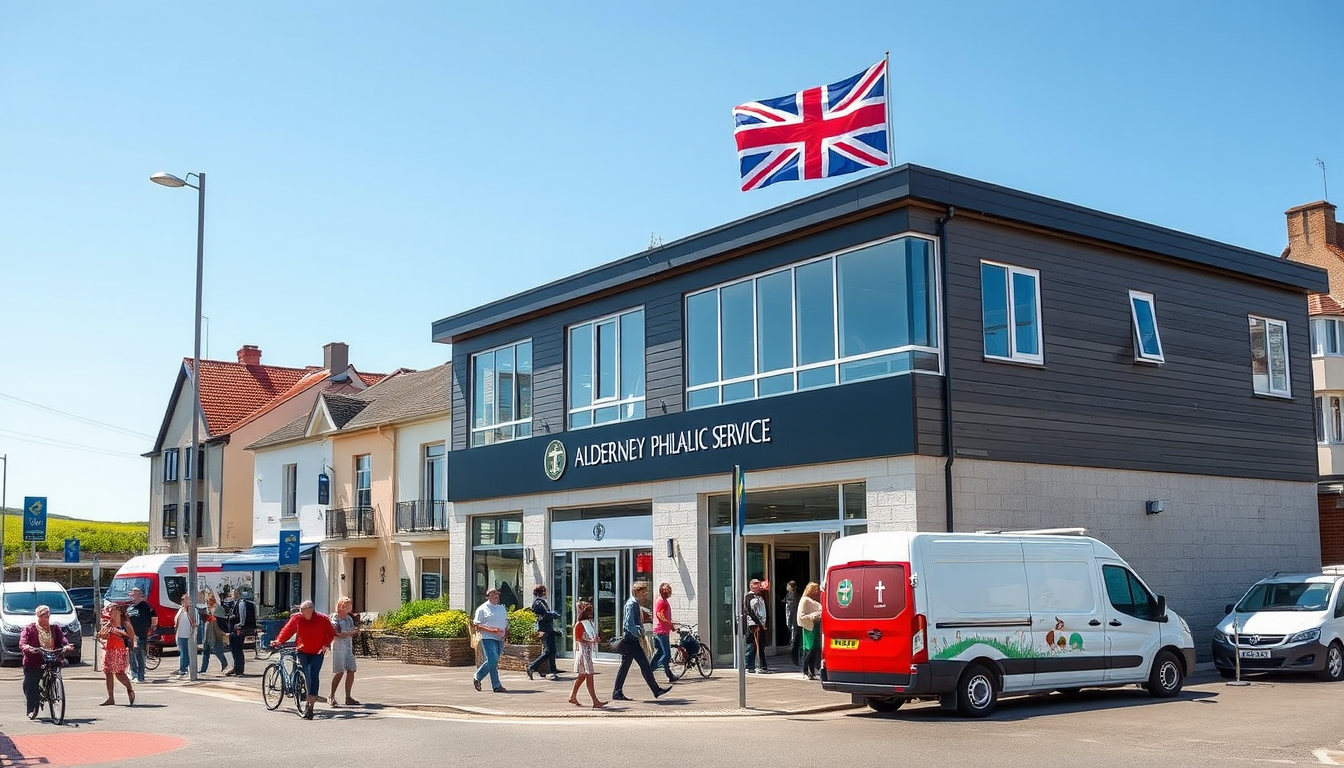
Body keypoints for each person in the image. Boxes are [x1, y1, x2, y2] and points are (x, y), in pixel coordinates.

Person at [271, 600, 336, 720]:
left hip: (317, 652)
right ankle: (302, 693)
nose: (302, 613)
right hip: (302, 651)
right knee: (307, 674)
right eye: (301, 611)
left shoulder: (322, 619)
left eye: (304, 611)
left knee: (313, 675)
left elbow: (331, 633)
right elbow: (287, 630)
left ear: (311, 610)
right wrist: (279, 640)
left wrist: (325, 645)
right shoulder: (297, 618)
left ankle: (310, 705)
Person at [611, 581, 672, 701]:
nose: (645, 595)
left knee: (625, 666)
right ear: (636, 592)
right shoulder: (632, 604)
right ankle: (656, 690)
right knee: (645, 665)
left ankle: (617, 692)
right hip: (631, 640)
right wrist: (640, 633)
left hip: (631, 639)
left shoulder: (634, 603)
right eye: (643, 592)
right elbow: (629, 625)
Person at [19, 605, 75, 718]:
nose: (46, 619)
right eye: (43, 616)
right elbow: (23, 642)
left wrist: (66, 645)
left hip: (52, 658)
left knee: (56, 672)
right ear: (38, 617)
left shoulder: (54, 628)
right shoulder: (29, 629)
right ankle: (31, 709)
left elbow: (62, 639)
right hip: (34, 660)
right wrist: (28, 648)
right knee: (32, 684)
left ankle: (53, 686)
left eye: (47, 616)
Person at [566, 601, 605, 708]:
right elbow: (578, 638)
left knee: (582, 676)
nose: (591, 614)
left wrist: (594, 639)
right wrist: (591, 640)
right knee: (589, 676)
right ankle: (595, 701)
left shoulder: (589, 623)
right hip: (584, 654)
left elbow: (588, 636)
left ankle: (572, 696)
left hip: (586, 653)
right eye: (588, 612)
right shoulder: (580, 624)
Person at [97, 602, 136, 705]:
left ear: (118, 611)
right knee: (108, 673)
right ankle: (110, 697)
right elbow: (99, 636)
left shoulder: (125, 624)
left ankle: (130, 689)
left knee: (119, 673)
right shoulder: (109, 623)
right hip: (109, 649)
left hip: (119, 650)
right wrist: (102, 636)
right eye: (110, 610)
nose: (110, 612)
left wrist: (115, 632)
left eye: (113, 610)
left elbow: (131, 637)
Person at [471, 588, 509, 693]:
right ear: (488, 597)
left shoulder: (501, 608)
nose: (496, 596)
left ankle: (478, 678)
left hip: (500, 638)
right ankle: (496, 685)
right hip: (488, 638)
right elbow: (477, 625)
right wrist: (492, 630)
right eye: (493, 595)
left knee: (493, 661)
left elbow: (505, 622)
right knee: (493, 660)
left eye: (497, 595)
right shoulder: (482, 609)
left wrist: (506, 633)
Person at [328, 596, 360, 707]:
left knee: (351, 669)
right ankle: (331, 695)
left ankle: (348, 697)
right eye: (348, 605)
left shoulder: (349, 618)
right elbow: (336, 632)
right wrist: (348, 633)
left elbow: (352, 629)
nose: (350, 607)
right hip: (338, 646)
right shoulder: (335, 617)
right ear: (342, 606)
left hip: (348, 645)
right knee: (339, 671)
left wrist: (354, 631)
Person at [526, 584, 562, 681]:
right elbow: (545, 615)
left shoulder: (540, 602)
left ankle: (553, 671)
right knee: (548, 651)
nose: (546, 593)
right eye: (544, 591)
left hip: (547, 629)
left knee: (552, 651)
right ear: (542, 592)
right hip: (544, 629)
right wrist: (554, 615)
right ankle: (532, 666)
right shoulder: (539, 603)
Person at [124, 587, 156, 683]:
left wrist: (152, 628)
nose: (132, 596)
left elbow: (154, 617)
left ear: (139, 595)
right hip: (131, 635)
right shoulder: (129, 608)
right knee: (132, 654)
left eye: (134, 594)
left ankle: (140, 675)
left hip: (141, 634)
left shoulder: (145, 606)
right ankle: (134, 673)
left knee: (140, 654)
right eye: (132, 594)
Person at [224, 589, 256, 676]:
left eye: (232, 593)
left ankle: (239, 669)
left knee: (237, 649)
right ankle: (236, 667)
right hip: (236, 629)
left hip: (238, 629)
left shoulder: (241, 603)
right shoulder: (237, 603)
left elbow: (242, 616)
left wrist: (239, 624)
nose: (231, 595)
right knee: (234, 649)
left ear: (237, 594)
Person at [649, 582, 675, 684]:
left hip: (659, 630)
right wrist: (670, 624)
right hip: (662, 631)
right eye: (668, 590)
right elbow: (659, 614)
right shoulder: (662, 602)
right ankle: (657, 667)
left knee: (660, 652)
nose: (669, 592)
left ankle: (651, 671)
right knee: (666, 654)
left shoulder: (660, 600)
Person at [743, 578, 770, 673]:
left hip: (760, 624)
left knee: (761, 645)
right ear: (751, 586)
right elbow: (750, 612)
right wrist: (757, 623)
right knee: (752, 645)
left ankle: (763, 666)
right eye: (756, 584)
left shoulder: (759, 597)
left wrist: (764, 623)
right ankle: (749, 665)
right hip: (754, 625)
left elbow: (762, 611)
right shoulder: (749, 597)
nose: (759, 586)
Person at [198, 590, 229, 674]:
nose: (208, 602)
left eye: (210, 599)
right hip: (207, 632)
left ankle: (224, 664)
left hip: (216, 633)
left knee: (218, 650)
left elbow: (220, 620)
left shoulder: (218, 608)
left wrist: (211, 616)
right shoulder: (207, 609)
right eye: (207, 600)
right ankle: (203, 669)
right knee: (205, 651)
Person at [797, 582, 823, 680]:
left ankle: (812, 671)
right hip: (809, 628)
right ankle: (805, 670)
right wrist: (815, 615)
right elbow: (802, 616)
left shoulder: (813, 600)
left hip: (816, 627)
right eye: (815, 589)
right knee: (809, 649)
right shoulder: (805, 600)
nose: (817, 591)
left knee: (815, 650)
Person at [173, 594, 198, 676]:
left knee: (187, 652)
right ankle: (183, 668)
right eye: (186, 600)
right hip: (181, 634)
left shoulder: (190, 611)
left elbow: (194, 622)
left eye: (188, 600)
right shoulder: (181, 610)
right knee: (183, 652)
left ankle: (185, 668)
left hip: (188, 635)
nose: (188, 602)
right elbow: (176, 622)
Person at [784, 580, 800, 666]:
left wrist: (789, 622)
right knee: (795, 639)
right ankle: (796, 658)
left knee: (794, 639)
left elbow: (790, 610)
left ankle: (794, 659)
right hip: (796, 620)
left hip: (794, 620)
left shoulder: (791, 595)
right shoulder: (796, 594)